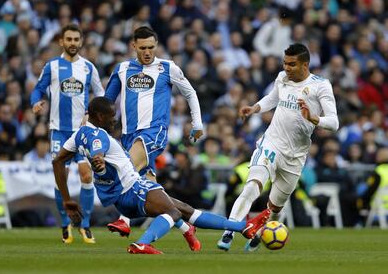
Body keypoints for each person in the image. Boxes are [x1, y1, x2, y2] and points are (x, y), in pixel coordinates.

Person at [52, 97, 270, 254]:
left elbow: (58, 161)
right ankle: (143, 243)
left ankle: (243, 227)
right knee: (174, 213)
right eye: (111, 116)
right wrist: (98, 159)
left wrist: (66, 199)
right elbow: (97, 149)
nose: (115, 120)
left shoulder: (78, 134)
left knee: (184, 209)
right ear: (100, 117)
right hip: (134, 189)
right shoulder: (98, 135)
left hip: (117, 198)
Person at [217, 43, 339, 251]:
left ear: (305, 65)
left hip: (296, 155)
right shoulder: (282, 78)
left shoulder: (321, 85)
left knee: (275, 207)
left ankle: (259, 234)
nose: (287, 68)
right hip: (271, 143)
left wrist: (313, 117)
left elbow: (334, 123)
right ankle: (229, 231)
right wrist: (255, 108)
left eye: (292, 64)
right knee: (253, 185)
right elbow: (272, 99)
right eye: (285, 63)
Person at [104, 26, 204, 250]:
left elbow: (190, 92)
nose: (147, 52)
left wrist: (197, 123)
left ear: (156, 46)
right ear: (134, 46)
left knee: (125, 169)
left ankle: (125, 220)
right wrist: (92, 119)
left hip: (153, 133)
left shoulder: (167, 67)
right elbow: (108, 100)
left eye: (151, 47)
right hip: (128, 136)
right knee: (155, 196)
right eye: (142, 48)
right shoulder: (121, 69)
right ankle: (186, 228)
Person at [30, 24, 104, 244]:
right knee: (60, 179)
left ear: (80, 42)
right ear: (61, 42)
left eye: (76, 39)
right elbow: (37, 89)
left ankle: (86, 224)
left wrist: (91, 112)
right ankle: (65, 224)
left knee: (86, 175)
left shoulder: (89, 67)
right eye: (69, 39)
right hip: (59, 132)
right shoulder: (52, 66)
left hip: (82, 133)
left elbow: (100, 93)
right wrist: (36, 102)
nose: (73, 43)